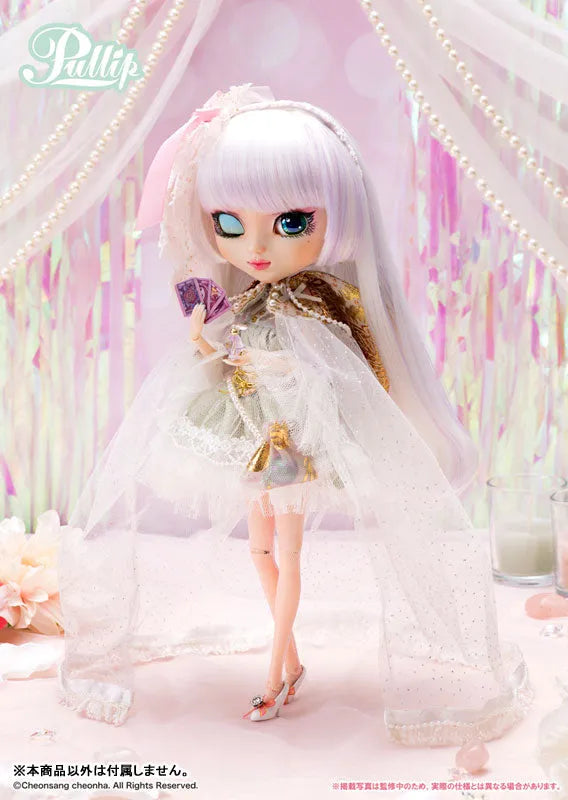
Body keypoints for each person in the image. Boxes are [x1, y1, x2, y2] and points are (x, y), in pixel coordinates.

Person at [57, 83, 533, 742]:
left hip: (293, 443)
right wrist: (206, 338)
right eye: (229, 224)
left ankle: (278, 667)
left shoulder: (315, 297)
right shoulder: (248, 295)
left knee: (287, 552)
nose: (255, 246)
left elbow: (332, 365)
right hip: (249, 430)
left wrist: (271, 363)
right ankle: (292, 659)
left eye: (289, 223)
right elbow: (227, 350)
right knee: (260, 550)